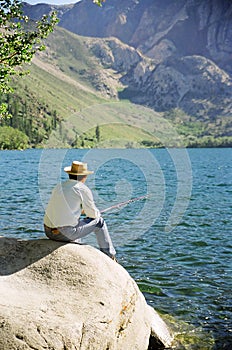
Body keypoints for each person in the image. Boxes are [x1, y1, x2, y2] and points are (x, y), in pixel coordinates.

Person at [44, 160, 116, 260]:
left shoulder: (59, 186)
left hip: (48, 232)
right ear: (84, 177)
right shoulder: (82, 189)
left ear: (70, 174)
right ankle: (110, 256)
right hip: (63, 234)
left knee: (77, 223)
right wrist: (97, 213)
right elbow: (93, 215)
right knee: (100, 222)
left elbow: (63, 208)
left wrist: (81, 211)